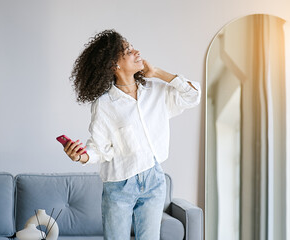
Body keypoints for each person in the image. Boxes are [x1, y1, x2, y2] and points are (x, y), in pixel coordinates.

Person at [63, 29, 201, 240]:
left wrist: (158, 73)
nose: (136, 51)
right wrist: (80, 155)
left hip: (154, 179)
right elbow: (99, 149)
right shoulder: (105, 105)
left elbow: (193, 95)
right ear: (113, 65)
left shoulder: (155, 91)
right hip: (119, 185)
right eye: (127, 50)